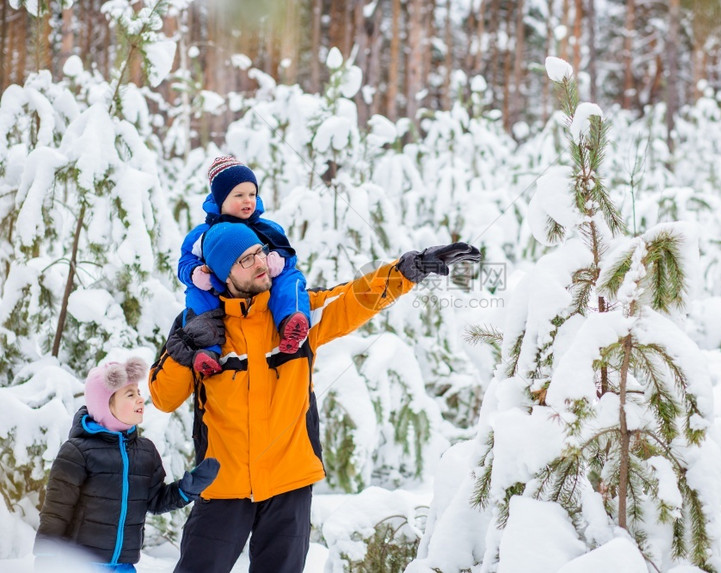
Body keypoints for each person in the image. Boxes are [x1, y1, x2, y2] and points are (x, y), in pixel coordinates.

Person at [149, 222, 480, 573]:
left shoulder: (296, 315)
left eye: (260, 252)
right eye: (246, 260)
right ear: (222, 273)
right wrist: (183, 348)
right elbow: (163, 398)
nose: (260, 262)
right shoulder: (201, 327)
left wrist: (407, 271)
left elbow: (355, 297)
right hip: (222, 484)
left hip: (289, 483)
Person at [34, 357, 220, 572]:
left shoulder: (145, 452)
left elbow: (155, 501)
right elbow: (56, 510)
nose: (140, 399)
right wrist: (46, 556)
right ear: (105, 404)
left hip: (124, 565)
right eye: (130, 394)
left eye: (139, 393)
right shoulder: (77, 451)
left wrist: (187, 489)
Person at [178, 156, 311, 377]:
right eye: (238, 195)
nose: (247, 201)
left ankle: (291, 321)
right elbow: (184, 261)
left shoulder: (266, 227)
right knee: (197, 297)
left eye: (252, 194)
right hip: (218, 285)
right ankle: (206, 352)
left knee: (290, 278)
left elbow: (288, 251)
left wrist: (280, 258)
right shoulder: (202, 234)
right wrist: (193, 274)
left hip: (260, 281)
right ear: (220, 199)